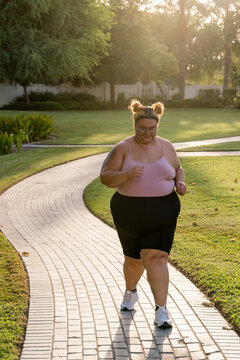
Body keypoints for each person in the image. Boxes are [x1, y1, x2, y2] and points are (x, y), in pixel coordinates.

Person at [100, 99, 186, 328]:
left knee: (156, 257)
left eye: (152, 128)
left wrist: (180, 182)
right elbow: (105, 176)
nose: (147, 133)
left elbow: (178, 167)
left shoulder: (166, 146)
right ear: (134, 124)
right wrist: (126, 174)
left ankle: (161, 310)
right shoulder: (123, 148)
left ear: (157, 125)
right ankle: (131, 291)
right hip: (129, 211)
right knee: (134, 260)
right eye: (142, 129)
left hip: (163, 210)